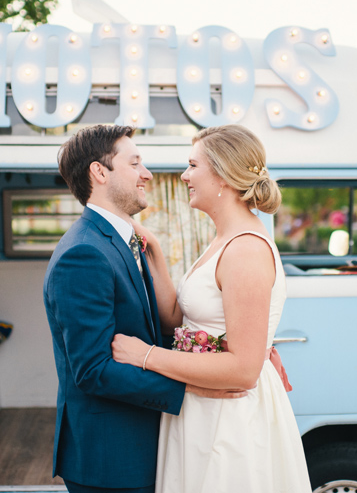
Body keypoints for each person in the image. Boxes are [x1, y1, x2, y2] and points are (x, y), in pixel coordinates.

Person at [111, 124, 312, 493]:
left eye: (192, 165)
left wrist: (146, 356)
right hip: (204, 409)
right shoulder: (223, 239)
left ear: (221, 174)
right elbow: (178, 318)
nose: (185, 176)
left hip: (231, 421)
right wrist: (153, 249)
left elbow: (242, 370)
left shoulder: (245, 250)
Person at [43, 125, 239, 493]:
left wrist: (235, 345)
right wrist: (193, 388)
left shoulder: (126, 240)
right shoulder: (83, 254)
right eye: (135, 163)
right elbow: (94, 370)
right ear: (99, 173)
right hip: (112, 458)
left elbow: (155, 329)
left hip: (142, 445)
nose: (146, 173)